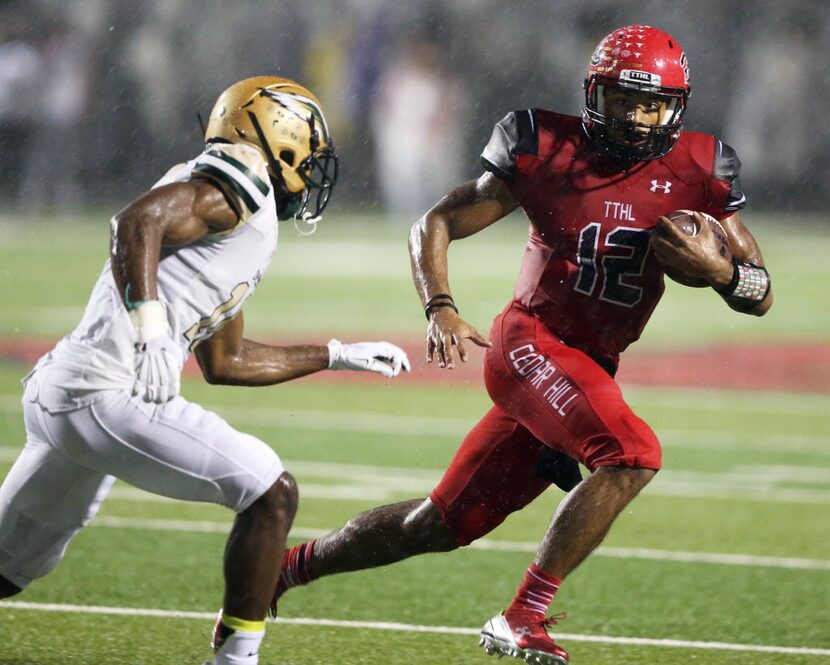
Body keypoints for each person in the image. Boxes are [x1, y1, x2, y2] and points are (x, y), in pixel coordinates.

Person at [269, 26, 773, 665]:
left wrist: (725, 274)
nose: (638, 117)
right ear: (595, 93)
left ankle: (283, 570)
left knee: (436, 525)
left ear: (677, 105)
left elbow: (760, 291)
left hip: (590, 365)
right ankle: (522, 616)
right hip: (529, 343)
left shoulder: (700, 169)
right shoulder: (545, 146)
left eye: (652, 104)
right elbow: (439, 221)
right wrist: (440, 307)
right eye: (623, 99)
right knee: (634, 453)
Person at [0, 76, 410, 665]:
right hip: (107, 389)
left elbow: (227, 361)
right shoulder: (238, 178)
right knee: (271, 494)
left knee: (9, 571)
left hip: (70, 390)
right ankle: (237, 658)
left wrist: (336, 353)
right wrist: (148, 330)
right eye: (309, 151)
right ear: (279, 138)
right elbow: (135, 223)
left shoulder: (238, 211)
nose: (314, 169)